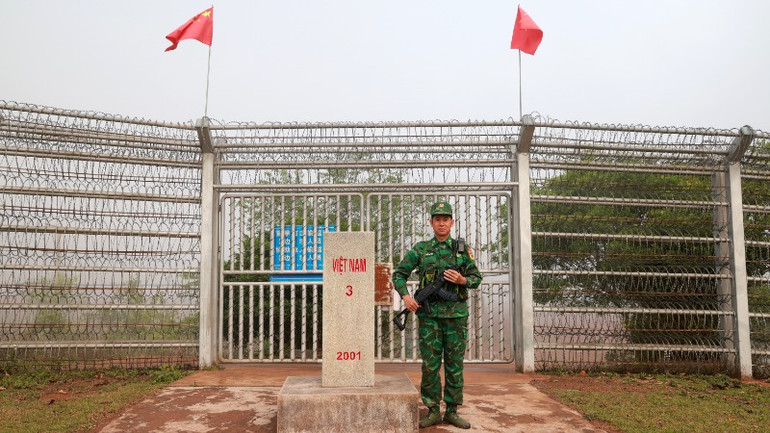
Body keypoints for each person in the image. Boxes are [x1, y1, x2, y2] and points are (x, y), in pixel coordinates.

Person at [392, 201, 482, 429]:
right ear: (431, 223)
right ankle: (432, 410)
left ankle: (452, 411)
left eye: (445, 219)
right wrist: (406, 297)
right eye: (437, 219)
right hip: (429, 318)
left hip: (456, 317)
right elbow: (399, 274)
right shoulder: (421, 249)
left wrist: (463, 280)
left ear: (452, 223)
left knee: (454, 364)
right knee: (430, 366)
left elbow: (476, 278)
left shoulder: (462, 250)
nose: (441, 223)